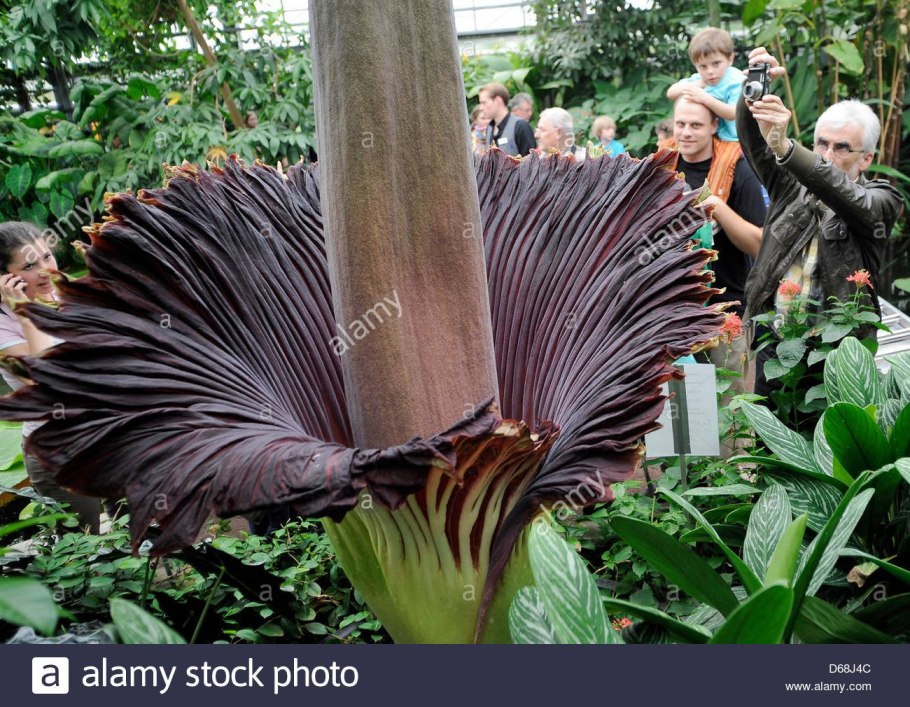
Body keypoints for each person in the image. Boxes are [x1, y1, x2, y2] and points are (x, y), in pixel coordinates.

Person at [736, 46, 904, 397]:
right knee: (771, 439)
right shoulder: (787, 185)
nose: (827, 154)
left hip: (838, 349)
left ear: (866, 158)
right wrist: (753, 86)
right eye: (821, 143)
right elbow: (753, 140)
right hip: (776, 339)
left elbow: (848, 198)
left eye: (841, 147)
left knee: (832, 445)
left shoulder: (884, 199)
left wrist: (788, 150)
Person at [0, 222, 101, 533]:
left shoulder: (64, 295)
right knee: (87, 554)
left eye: (46, 256)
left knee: (142, 540)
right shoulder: (4, 327)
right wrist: (25, 312)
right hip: (59, 453)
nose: (45, 270)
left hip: (106, 437)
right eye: (30, 265)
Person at [666, 98, 766, 392]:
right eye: (680, 124)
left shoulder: (739, 168)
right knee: (677, 410)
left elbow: (759, 245)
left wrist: (716, 206)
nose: (686, 132)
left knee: (729, 411)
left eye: (696, 125)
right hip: (672, 309)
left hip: (726, 309)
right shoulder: (662, 165)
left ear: (714, 126)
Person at [667, 27, 744, 142]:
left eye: (716, 63)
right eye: (703, 66)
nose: (710, 71)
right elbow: (671, 93)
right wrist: (698, 84)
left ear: (730, 58)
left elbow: (733, 113)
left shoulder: (736, 81)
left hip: (738, 140)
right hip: (714, 138)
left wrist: (705, 98)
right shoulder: (700, 79)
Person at [478, 82, 536, 157]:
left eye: (484, 103)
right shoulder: (489, 128)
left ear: (498, 100)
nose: (481, 108)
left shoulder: (521, 127)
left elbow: (532, 163)